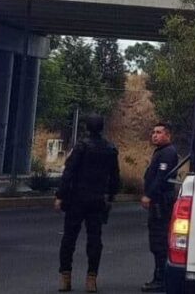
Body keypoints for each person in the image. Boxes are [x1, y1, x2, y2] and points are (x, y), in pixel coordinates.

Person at [55, 113, 120, 293]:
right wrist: (111, 197)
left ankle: (65, 277)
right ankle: (91, 279)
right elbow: (115, 176)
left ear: (86, 127)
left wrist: (60, 195)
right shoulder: (110, 149)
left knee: (69, 238)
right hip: (97, 200)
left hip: (77, 199)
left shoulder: (81, 147)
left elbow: (69, 172)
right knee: (94, 240)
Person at [141, 122, 179, 292]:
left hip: (161, 203)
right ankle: (159, 276)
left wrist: (149, 195)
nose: (155, 135)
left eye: (159, 132)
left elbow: (161, 177)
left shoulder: (167, 153)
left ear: (167, 135)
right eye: (153, 132)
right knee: (156, 240)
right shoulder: (161, 152)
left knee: (160, 240)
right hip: (159, 202)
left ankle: (161, 278)